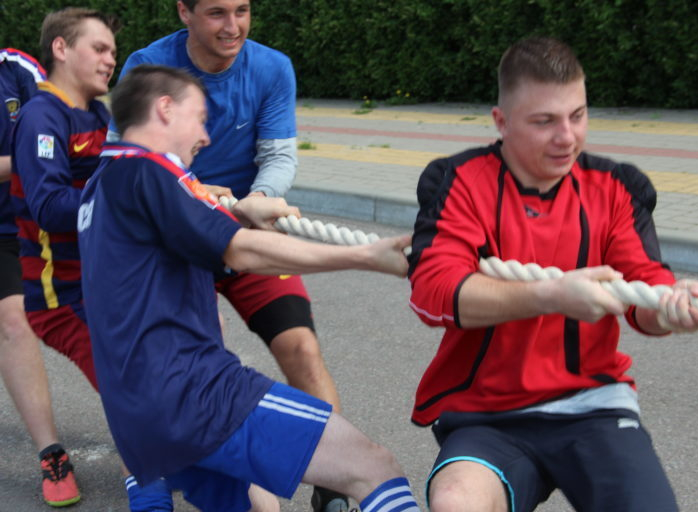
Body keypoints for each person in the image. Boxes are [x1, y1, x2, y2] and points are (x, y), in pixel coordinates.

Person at [78, 63, 420, 512]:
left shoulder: (102, 182)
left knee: (261, 506)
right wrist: (366, 256)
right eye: (200, 118)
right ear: (164, 109)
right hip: (195, 395)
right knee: (374, 467)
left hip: (136, 408)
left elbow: (165, 240)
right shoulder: (152, 170)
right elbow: (241, 252)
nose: (206, 136)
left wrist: (236, 213)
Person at [406, 36, 698, 512]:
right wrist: (550, 294)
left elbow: (644, 292)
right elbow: (434, 292)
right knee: (454, 501)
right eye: (545, 121)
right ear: (501, 121)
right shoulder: (458, 181)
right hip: (486, 413)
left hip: (593, 405)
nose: (567, 137)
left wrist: (673, 306)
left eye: (578, 115)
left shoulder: (617, 187)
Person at [111, 2, 350, 509]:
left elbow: (278, 155)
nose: (233, 26)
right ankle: (162, 474)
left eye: (242, 10)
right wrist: (195, 194)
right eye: (217, 13)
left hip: (243, 231)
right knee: (186, 366)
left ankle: (334, 489)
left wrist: (257, 200)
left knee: (302, 349)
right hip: (176, 242)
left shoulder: (272, 67)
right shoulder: (148, 66)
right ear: (184, 12)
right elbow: (124, 158)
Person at [10, 8, 177, 511]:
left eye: (113, 51)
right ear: (61, 49)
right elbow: (48, 206)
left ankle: (175, 468)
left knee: (157, 378)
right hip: (61, 298)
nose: (111, 60)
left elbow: (128, 176)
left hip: (103, 286)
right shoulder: (42, 116)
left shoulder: (99, 116)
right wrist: (128, 198)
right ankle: (151, 490)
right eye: (99, 48)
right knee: (132, 389)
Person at [0, 46, 81, 508]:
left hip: (31, 225)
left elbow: (67, 126)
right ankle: (52, 454)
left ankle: (162, 437)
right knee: (14, 322)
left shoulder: (18, 68)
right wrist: (33, 156)